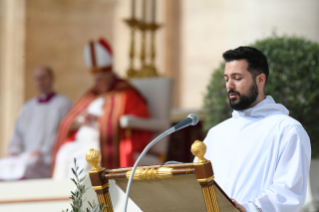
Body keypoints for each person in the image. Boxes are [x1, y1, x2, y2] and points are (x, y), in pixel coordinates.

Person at [195, 47, 311, 212]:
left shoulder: (287, 130)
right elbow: (197, 184)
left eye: (237, 78)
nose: (230, 85)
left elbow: (288, 192)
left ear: (260, 80)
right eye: (227, 78)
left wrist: (249, 208)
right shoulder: (217, 133)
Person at [52, 39, 151, 179]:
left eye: (102, 79)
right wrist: (80, 119)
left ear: (111, 75)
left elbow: (138, 118)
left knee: (88, 155)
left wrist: (99, 120)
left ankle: (84, 198)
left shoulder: (126, 93)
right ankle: (62, 198)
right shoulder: (91, 96)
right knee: (64, 152)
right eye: (95, 79)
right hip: (81, 140)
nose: (98, 83)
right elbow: (70, 120)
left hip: (105, 141)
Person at [0, 66, 72, 180]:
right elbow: (18, 134)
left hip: (48, 157)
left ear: (52, 78)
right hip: (28, 155)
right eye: (37, 79)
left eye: (43, 78)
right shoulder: (27, 107)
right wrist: (14, 150)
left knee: (28, 166)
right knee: (4, 165)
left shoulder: (63, 104)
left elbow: (61, 132)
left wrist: (42, 151)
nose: (40, 82)